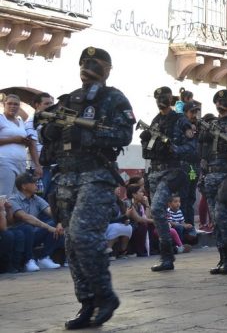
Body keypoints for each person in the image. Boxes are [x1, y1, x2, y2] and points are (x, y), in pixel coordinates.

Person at [38, 46, 135, 328]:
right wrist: (50, 130)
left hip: (96, 176)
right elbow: (43, 126)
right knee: (71, 243)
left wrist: (90, 133)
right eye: (83, 62)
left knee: (83, 235)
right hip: (67, 179)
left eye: (94, 62)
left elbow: (125, 134)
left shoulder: (113, 98)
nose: (87, 66)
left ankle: (106, 296)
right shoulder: (68, 100)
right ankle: (87, 303)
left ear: (107, 69)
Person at [139, 86, 196, 272]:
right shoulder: (155, 121)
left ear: (171, 98)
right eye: (157, 98)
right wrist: (145, 142)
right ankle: (167, 255)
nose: (160, 100)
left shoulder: (179, 120)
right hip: (155, 171)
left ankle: (168, 255)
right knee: (157, 214)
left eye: (164, 97)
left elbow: (192, 147)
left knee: (156, 207)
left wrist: (174, 149)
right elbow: (147, 153)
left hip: (171, 171)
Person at [199, 90, 227, 275]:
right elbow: (203, 149)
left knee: (221, 215)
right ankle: (223, 257)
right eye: (218, 101)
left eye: (224, 100)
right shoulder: (212, 124)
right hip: (210, 176)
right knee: (215, 220)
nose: (221, 104)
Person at [8, 172, 64, 271]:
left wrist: (59, 222)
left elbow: (51, 212)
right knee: (27, 227)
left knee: (55, 223)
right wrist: (48, 227)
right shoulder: (13, 200)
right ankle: (28, 260)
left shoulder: (36, 199)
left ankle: (44, 257)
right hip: (21, 236)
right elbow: (26, 218)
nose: (36, 184)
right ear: (24, 186)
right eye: (33, 183)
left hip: (34, 234)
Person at [0, 94, 41, 196]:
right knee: (5, 195)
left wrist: (24, 141)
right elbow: (14, 139)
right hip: (4, 161)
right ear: (4, 104)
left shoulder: (20, 121)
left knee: (17, 196)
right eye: (9, 103)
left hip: (21, 163)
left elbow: (26, 143)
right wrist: (13, 139)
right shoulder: (1, 119)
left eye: (16, 104)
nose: (12, 106)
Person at [25, 93, 54, 199]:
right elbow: (32, 143)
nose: (50, 106)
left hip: (51, 167)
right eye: (46, 103)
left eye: (51, 103)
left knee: (50, 201)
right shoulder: (32, 121)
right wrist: (37, 166)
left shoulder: (49, 121)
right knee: (39, 199)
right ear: (37, 105)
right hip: (38, 168)